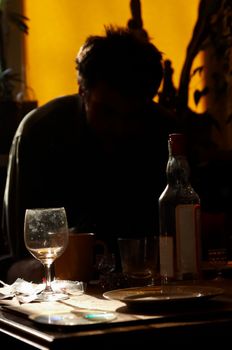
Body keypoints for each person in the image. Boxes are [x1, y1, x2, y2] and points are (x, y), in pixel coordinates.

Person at [0, 25, 178, 282]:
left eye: (133, 115)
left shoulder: (164, 132)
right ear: (82, 90)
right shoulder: (39, 133)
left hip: (148, 279)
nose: (119, 126)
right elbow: (23, 247)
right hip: (62, 282)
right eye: (106, 111)